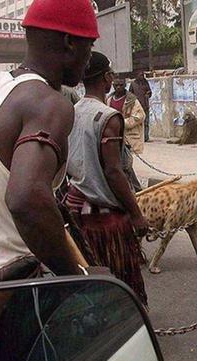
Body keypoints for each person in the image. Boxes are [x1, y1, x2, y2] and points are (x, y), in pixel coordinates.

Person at [0, 0, 99, 281]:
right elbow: (25, 198)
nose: (90, 57)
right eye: (89, 46)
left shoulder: (2, 86)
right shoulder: (48, 104)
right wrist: (76, 275)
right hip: (12, 284)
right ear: (69, 43)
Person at [65, 52, 149, 306]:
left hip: (75, 208)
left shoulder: (72, 110)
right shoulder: (108, 116)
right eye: (112, 75)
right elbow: (113, 171)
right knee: (118, 277)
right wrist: (136, 213)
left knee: (89, 276)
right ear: (107, 78)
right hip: (104, 217)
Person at [107, 77, 146, 153]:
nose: (118, 87)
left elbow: (140, 116)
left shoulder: (132, 101)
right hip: (112, 136)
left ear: (125, 85)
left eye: (121, 85)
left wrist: (121, 123)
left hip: (128, 137)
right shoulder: (109, 100)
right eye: (116, 85)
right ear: (113, 85)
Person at [129, 71, 152, 142]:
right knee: (137, 122)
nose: (142, 77)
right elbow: (130, 95)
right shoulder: (133, 84)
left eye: (143, 75)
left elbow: (150, 92)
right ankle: (138, 137)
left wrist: (148, 94)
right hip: (136, 106)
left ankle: (146, 137)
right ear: (137, 76)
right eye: (140, 75)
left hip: (145, 105)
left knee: (146, 122)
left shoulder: (145, 83)